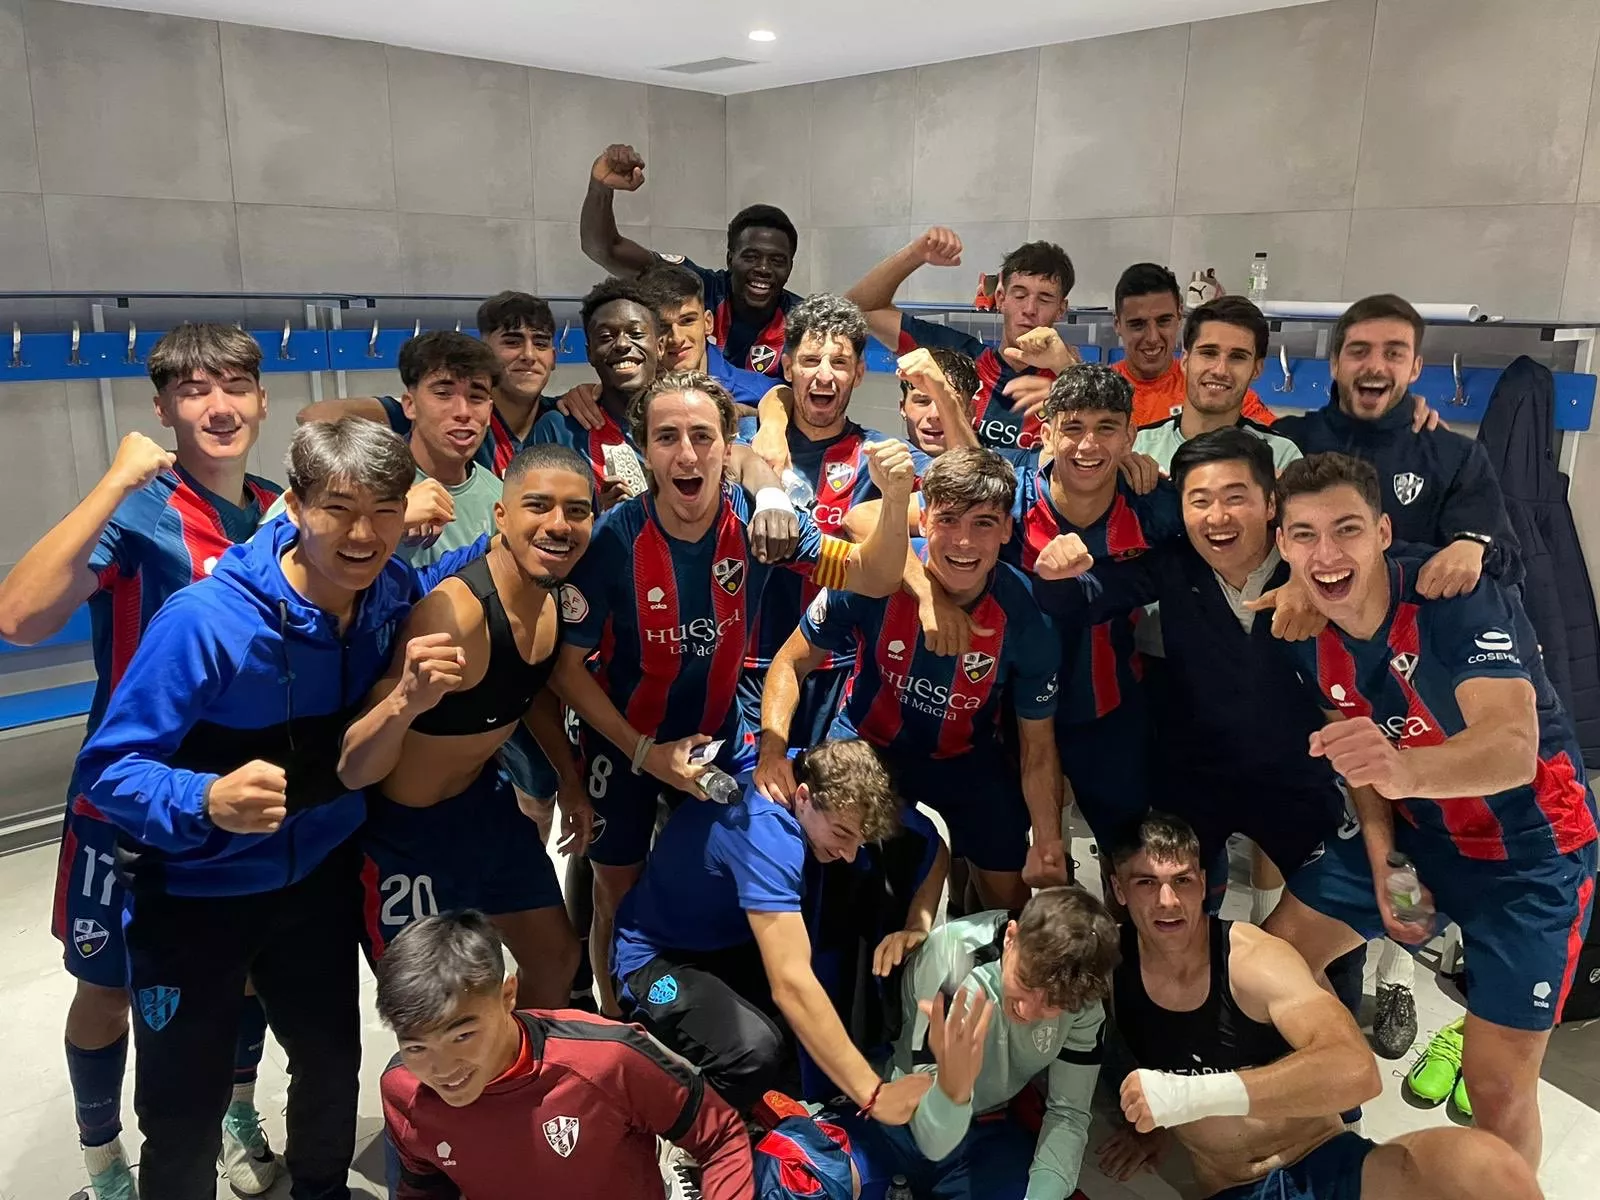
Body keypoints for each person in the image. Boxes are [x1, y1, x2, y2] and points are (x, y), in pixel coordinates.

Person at [70, 418, 478, 1199]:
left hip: (314, 880)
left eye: (384, 510)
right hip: (192, 898)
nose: (364, 534)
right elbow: (107, 770)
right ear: (292, 506)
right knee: (183, 1107)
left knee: (331, 1066)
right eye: (339, 508)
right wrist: (203, 796)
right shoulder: (205, 623)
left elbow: (449, 575)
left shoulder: (388, 591)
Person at [0, 323, 283, 1200]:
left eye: (234, 383)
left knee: (244, 974)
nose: (218, 403)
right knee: (109, 990)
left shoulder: (279, 505)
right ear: (160, 407)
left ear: (262, 400)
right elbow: (20, 616)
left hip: (239, 797)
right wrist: (116, 478)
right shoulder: (141, 510)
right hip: (130, 802)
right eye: (193, 389)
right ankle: (102, 1162)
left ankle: (239, 1118)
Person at [1263, 452, 1598, 1167]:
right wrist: (1385, 860)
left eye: (1347, 530)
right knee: (1277, 958)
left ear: (1383, 532)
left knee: (1499, 1090)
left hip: (1533, 861)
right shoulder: (1304, 633)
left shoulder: (1456, 600)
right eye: (1305, 536)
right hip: (1419, 840)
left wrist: (1401, 768)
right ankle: (1325, 1127)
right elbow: (1361, 766)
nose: (1327, 555)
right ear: (1283, 544)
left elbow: (1512, 749)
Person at [552, 369, 917, 1014]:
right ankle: (621, 1027)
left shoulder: (758, 521)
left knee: (748, 870)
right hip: (629, 745)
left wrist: (893, 502)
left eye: (703, 436)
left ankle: (720, 1012)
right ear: (644, 451)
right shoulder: (613, 541)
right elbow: (566, 669)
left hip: (725, 735)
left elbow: (877, 575)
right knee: (619, 894)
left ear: (728, 446)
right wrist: (643, 752)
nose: (687, 454)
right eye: (667, 437)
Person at [1103, 811, 1542, 1200]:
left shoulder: (1254, 960)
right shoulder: (1109, 970)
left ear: (1202, 882)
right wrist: (1152, 1125)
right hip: (1234, 1187)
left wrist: (1187, 1099)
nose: (1168, 901)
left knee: (1483, 1166)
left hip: (1324, 1163)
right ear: (1118, 890)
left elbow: (1357, 1072)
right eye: (1146, 883)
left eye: (1181, 880)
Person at [1029, 430, 1341, 917]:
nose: (1216, 518)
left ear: (1271, 504)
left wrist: (1310, 583)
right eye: (1200, 501)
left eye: (1235, 498)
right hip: (1196, 778)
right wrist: (1055, 576)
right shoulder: (1175, 564)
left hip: (1297, 779)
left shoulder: (1318, 570)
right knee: (1180, 913)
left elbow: (1391, 572)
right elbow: (1093, 596)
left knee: (1328, 920)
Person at [334, 443, 601, 1008]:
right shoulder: (452, 614)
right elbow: (353, 766)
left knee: (556, 958)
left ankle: (517, 1090)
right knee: (433, 1006)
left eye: (576, 511)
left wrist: (569, 781)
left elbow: (526, 695)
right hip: (404, 833)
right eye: (539, 506)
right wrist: (404, 701)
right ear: (501, 516)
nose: (559, 525)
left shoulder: (551, 600)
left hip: (484, 808)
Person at [761, 447, 1068, 910]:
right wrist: (771, 753)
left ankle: (976, 967)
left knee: (1010, 902)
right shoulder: (872, 577)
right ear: (922, 520)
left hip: (965, 759)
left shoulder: (1029, 619)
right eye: (948, 521)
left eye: (983, 523)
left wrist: (1046, 838)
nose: (963, 542)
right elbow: (791, 662)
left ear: (1007, 529)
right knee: (826, 864)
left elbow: (1038, 746)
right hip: (866, 745)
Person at [613, 737, 936, 1122]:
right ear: (802, 797)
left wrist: (918, 923)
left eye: (860, 840)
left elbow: (930, 841)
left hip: (727, 941)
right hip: (655, 956)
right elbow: (791, 984)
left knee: (807, 1036)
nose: (849, 854)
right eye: (841, 835)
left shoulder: (812, 770)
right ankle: (681, 1132)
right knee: (753, 1052)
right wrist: (874, 1094)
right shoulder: (766, 836)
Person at [377, 910, 755, 1200]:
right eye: (415, 1046)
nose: (441, 1069)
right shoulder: (403, 1089)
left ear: (508, 995)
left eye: (462, 1035)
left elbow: (720, 1135)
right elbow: (424, 1188)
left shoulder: (606, 1059)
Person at [742, 295, 939, 749]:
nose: (825, 374)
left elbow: (965, 495)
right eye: (811, 360)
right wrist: (772, 419)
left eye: (840, 362)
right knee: (755, 805)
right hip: (748, 669)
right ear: (788, 367)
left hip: (843, 669)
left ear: (860, 373)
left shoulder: (883, 456)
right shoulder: (746, 449)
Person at [842, 887, 1118, 1200]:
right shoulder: (952, 959)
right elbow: (932, 1135)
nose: (1027, 1011)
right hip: (903, 1116)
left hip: (989, 1128)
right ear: (1011, 938)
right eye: (1026, 982)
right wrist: (953, 1091)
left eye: (1053, 1003)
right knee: (798, 1178)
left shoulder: (1083, 1002)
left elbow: (1069, 1113)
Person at [1006, 364, 1183, 852]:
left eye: (1106, 428)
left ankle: (1124, 929)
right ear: (1047, 433)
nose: (1088, 446)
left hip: (1110, 708)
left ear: (1130, 436)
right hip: (1006, 708)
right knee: (1002, 850)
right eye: (1073, 428)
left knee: (1126, 849)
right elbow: (919, 527)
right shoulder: (1009, 498)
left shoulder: (1157, 506)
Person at [1273, 293, 1519, 596]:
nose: (1375, 366)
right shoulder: (1286, 442)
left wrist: (1476, 547)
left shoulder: (1456, 457)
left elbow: (1510, 568)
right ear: (1335, 364)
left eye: (1394, 354)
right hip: (1297, 633)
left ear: (1415, 368)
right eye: (1359, 351)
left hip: (1411, 639)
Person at [845, 226, 1076, 454]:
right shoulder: (956, 357)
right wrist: (915, 254)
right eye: (1020, 294)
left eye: (1045, 298)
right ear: (1001, 298)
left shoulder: (1072, 383)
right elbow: (859, 308)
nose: (1029, 309)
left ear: (1061, 309)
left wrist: (1066, 369)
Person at [582, 142, 801, 376]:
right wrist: (600, 187)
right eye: (751, 256)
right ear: (730, 258)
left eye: (777, 260)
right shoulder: (697, 288)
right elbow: (604, 249)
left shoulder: (802, 320)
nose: (763, 268)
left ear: (790, 266)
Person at [298, 290, 570, 475]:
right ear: (485, 349)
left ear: (554, 357)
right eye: (512, 342)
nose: (529, 355)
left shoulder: (567, 417)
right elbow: (314, 416)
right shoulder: (438, 415)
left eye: (541, 343)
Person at [1132, 296, 1301, 473]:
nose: (1220, 370)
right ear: (1185, 361)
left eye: (1237, 357)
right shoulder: (1136, 448)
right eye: (1208, 353)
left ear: (1257, 369)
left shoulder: (1281, 458)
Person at [1112, 263, 1277, 428]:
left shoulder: (1212, 385)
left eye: (1164, 321)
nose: (1153, 338)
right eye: (1137, 325)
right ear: (1117, 325)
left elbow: (1277, 438)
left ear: (1179, 316)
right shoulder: (1100, 391)